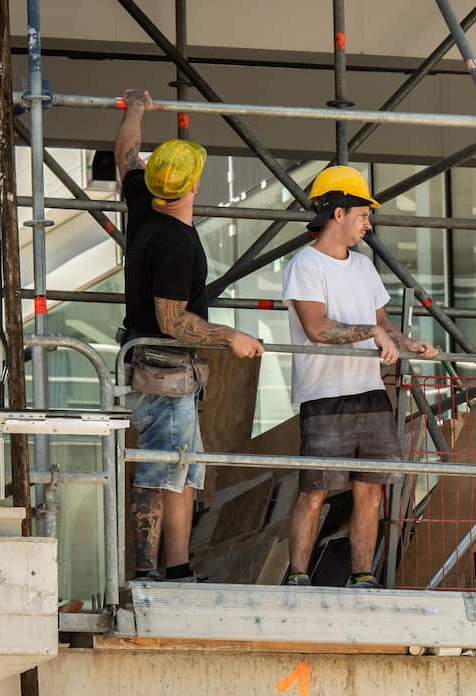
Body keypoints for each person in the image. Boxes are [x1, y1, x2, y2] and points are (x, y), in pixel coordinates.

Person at [116, 88, 265, 582]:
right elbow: (172, 321)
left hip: (163, 372)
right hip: (162, 371)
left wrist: (136, 108)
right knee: (160, 473)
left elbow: (125, 156)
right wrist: (231, 337)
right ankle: (144, 573)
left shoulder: (144, 200)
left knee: (181, 472)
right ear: (194, 184)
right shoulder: (175, 245)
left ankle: (176, 570)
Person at [282, 165, 438, 588]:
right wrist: (371, 333)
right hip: (325, 393)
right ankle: (297, 577)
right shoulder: (305, 265)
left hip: (368, 392)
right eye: (363, 214)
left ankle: (362, 577)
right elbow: (317, 328)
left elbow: (381, 322)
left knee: (370, 489)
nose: (368, 224)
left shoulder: (364, 268)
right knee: (315, 490)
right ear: (337, 213)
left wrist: (408, 344)